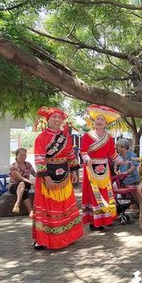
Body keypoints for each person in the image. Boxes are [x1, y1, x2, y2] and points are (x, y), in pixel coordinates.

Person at [32, 106, 83, 250]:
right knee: (47, 207)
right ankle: (42, 239)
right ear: (48, 120)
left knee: (65, 206)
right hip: (47, 176)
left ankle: (68, 236)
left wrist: (74, 172)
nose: (56, 120)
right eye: (53, 117)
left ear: (62, 120)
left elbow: (71, 155)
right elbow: (39, 158)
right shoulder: (41, 138)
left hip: (64, 176)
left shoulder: (66, 137)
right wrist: (46, 176)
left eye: (59, 117)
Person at [80, 105, 123, 231]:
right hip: (91, 168)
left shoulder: (109, 137)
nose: (99, 121)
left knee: (106, 193)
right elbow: (83, 152)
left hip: (104, 168)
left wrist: (119, 160)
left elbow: (112, 153)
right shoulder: (87, 136)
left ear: (106, 124)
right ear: (93, 122)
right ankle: (94, 222)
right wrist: (87, 158)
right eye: (97, 119)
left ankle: (106, 219)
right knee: (94, 194)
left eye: (102, 120)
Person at [9, 148, 36, 216]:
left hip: (27, 184)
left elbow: (35, 174)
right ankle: (30, 211)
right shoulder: (13, 166)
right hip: (15, 186)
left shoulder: (28, 165)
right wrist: (32, 183)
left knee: (25, 187)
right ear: (16, 156)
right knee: (23, 186)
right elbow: (21, 178)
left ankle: (17, 205)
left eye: (24, 155)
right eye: (21, 155)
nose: (23, 157)